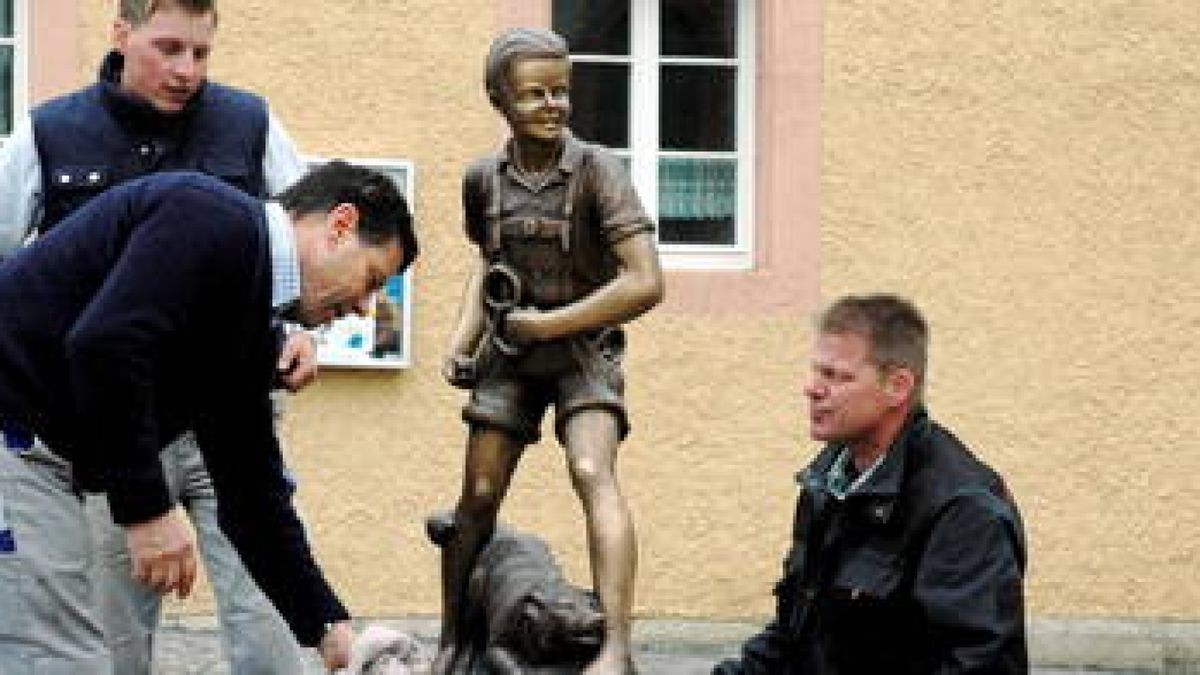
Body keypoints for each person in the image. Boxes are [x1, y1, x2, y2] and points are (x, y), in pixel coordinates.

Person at [0, 160, 419, 673]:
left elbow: (251, 492)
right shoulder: (210, 218)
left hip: (35, 453)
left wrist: (328, 630)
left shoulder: (248, 316)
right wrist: (148, 510)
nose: (363, 307)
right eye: (371, 278)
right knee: (59, 660)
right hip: (14, 433)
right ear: (340, 226)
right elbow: (106, 345)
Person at [0, 1, 318, 671]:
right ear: (122, 35)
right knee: (112, 642)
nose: (186, 71)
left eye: (201, 53)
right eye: (168, 49)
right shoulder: (47, 133)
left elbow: (311, 239)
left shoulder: (250, 124)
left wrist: (297, 331)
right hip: (111, 434)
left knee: (272, 630)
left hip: (226, 424)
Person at [435, 27, 663, 675]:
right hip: (510, 352)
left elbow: (645, 281)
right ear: (499, 100)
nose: (552, 105)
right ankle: (454, 638)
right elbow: (489, 266)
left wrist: (553, 323)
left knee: (593, 471)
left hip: (582, 352)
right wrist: (462, 342)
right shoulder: (483, 179)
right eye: (533, 94)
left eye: (560, 91)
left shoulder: (598, 170)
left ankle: (617, 644)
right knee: (476, 495)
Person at [713, 294, 1027, 674]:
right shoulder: (826, 483)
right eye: (816, 372)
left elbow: (979, 665)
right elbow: (792, 640)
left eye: (836, 376)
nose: (812, 389)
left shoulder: (962, 508)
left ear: (897, 387)